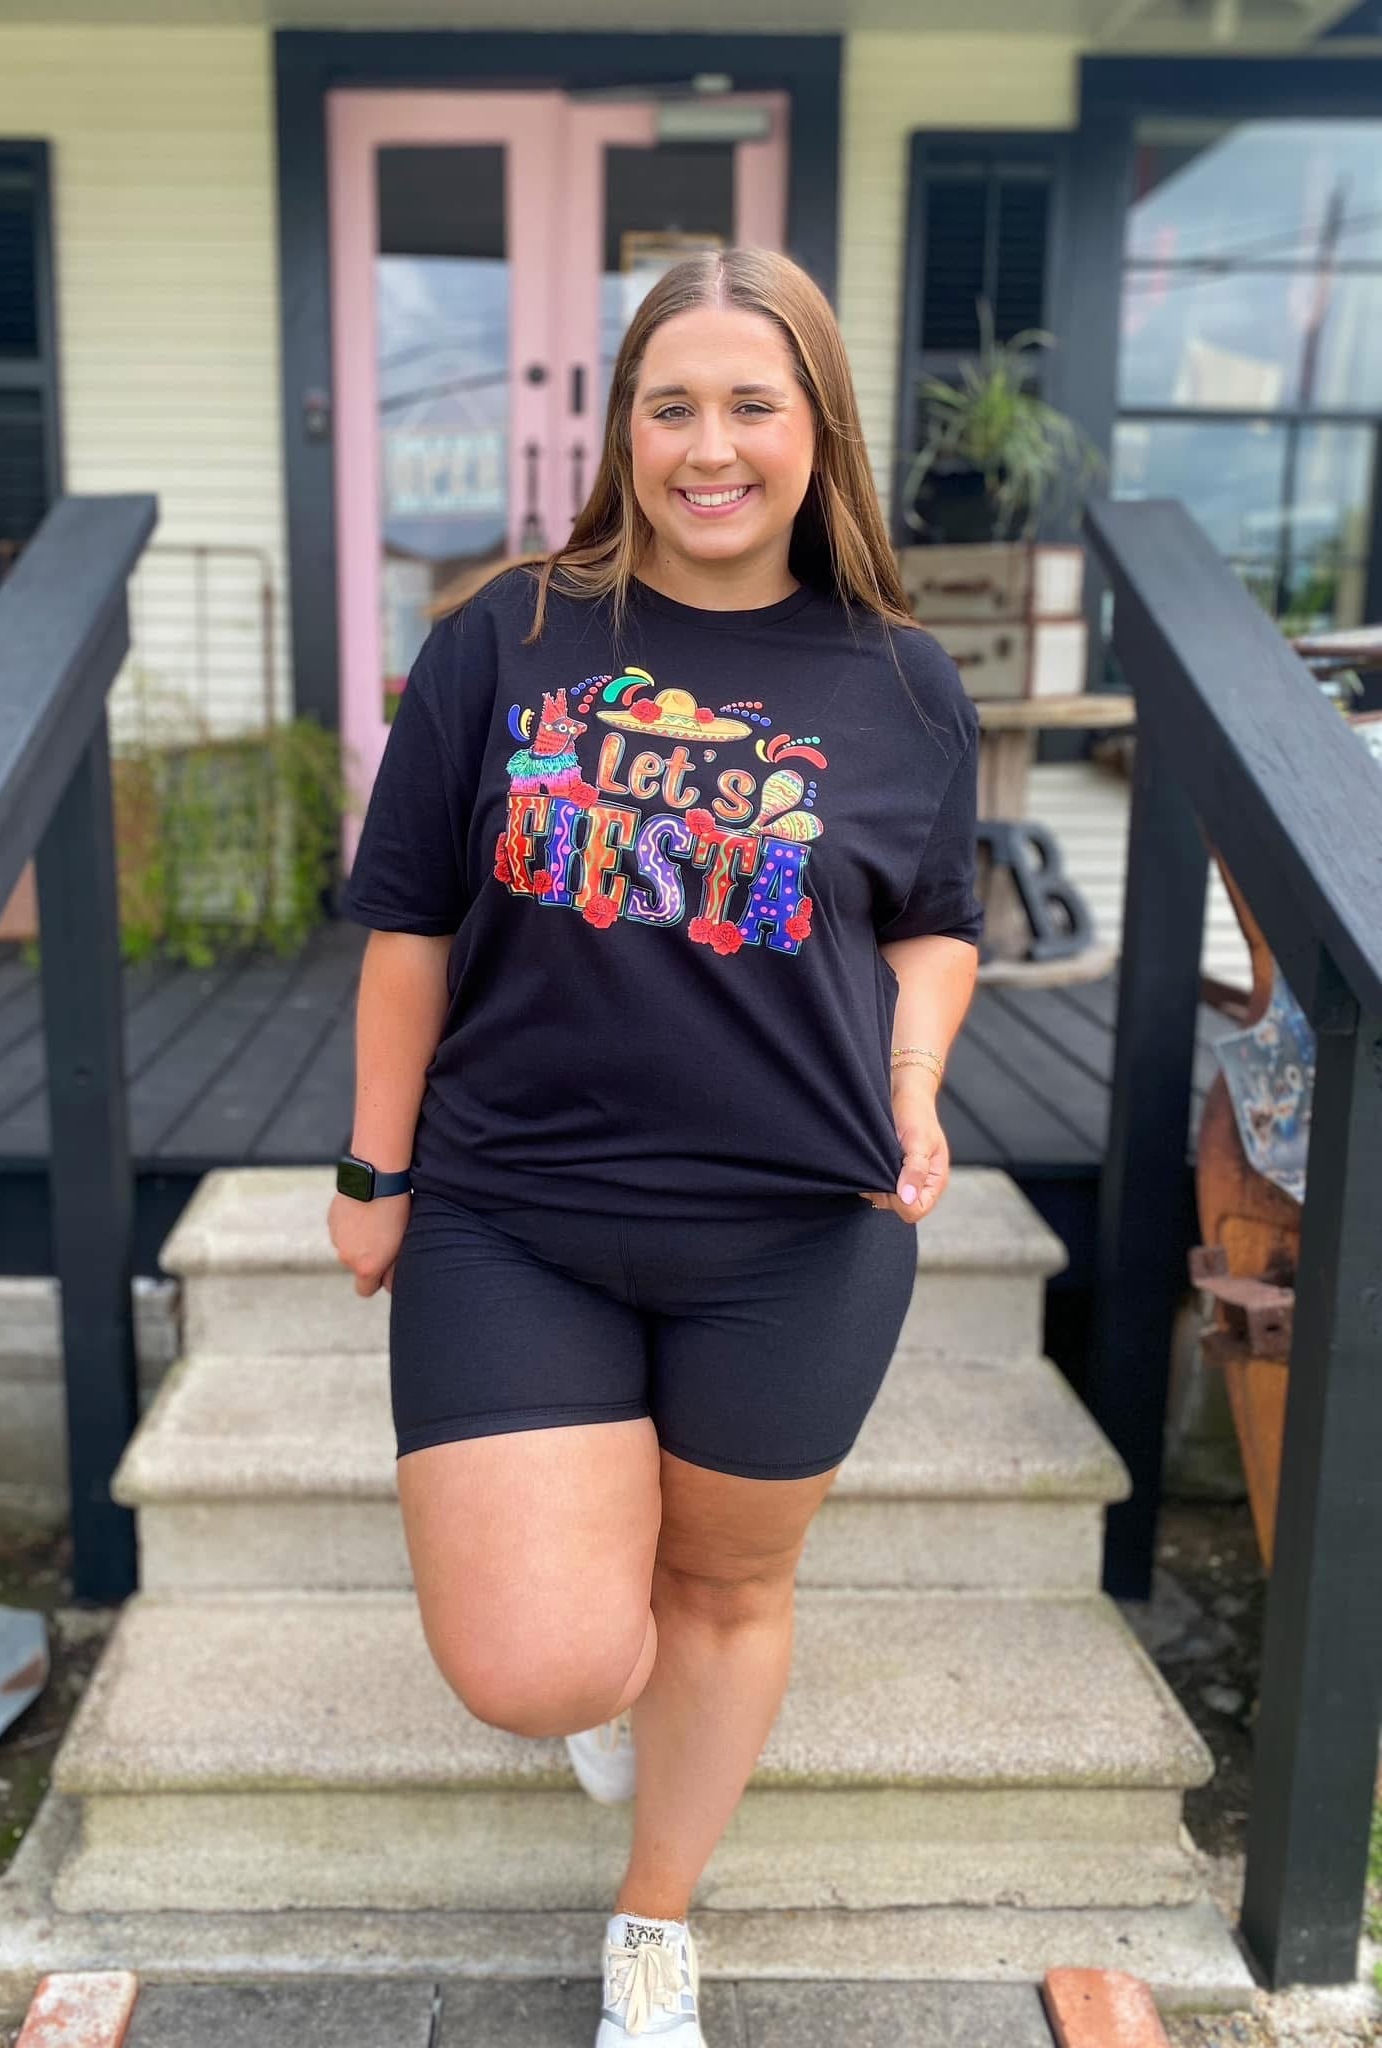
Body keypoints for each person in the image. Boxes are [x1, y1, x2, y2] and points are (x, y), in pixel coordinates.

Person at [329, 244, 983, 2047]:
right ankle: (612, 1700)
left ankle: (654, 1927)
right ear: (621, 428)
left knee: (727, 1587)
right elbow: (407, 923)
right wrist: (375, 1170)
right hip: (514, 1213)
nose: (711, 446)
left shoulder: (906, 683)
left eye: (751, 406)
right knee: (537, 1666)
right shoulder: (510, 634)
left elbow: (936, 918)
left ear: (814, 430)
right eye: (670, 404)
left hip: (799, 1231)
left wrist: (914, 1078)